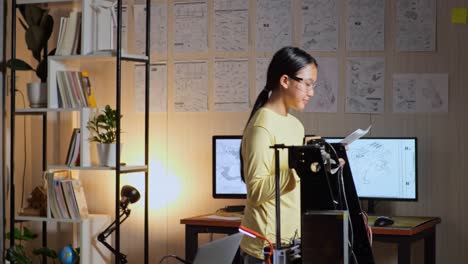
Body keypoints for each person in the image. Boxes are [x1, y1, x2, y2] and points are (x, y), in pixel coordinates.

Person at [239, 46, 318, 263]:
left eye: (313, 85)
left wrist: (325, 162)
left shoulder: (295, 125)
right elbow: (255, 190)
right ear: (285, 81)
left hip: (292, 241)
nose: (311, 92)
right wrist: (301, 168)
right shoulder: (262, 125)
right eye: (308, 84)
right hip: (265, 247)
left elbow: (295, 180)